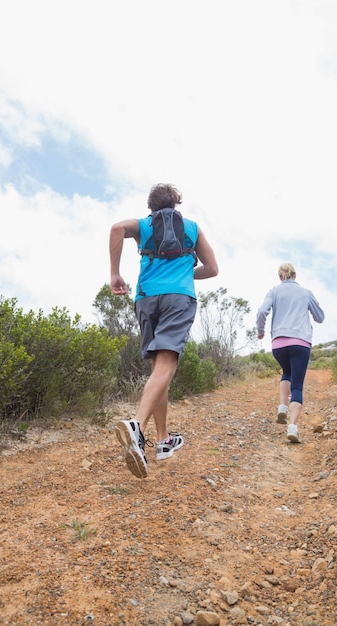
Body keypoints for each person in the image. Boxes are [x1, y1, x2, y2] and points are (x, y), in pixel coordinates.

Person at [109, 183, 218, 478]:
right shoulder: (192, 228)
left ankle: (163, 441)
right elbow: (212, 269)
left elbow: (117, 228)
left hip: (146, 299)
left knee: (160, 369)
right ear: (176, 204)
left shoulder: (144, 225)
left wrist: (115, 273)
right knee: (166, 364)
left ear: (151, 207)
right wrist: (183, 272)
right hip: (178, 298)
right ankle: (138, 427)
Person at [256, 263, 325, 443]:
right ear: (295, 275)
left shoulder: (274, 291)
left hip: (278, 344)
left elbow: (262, 311)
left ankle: (282, 407)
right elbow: (320, 317)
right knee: (297, 386)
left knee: (286, 372)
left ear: (280, 277)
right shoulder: (305, 292)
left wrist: (261, 331)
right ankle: (292, 427)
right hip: (300, 343)